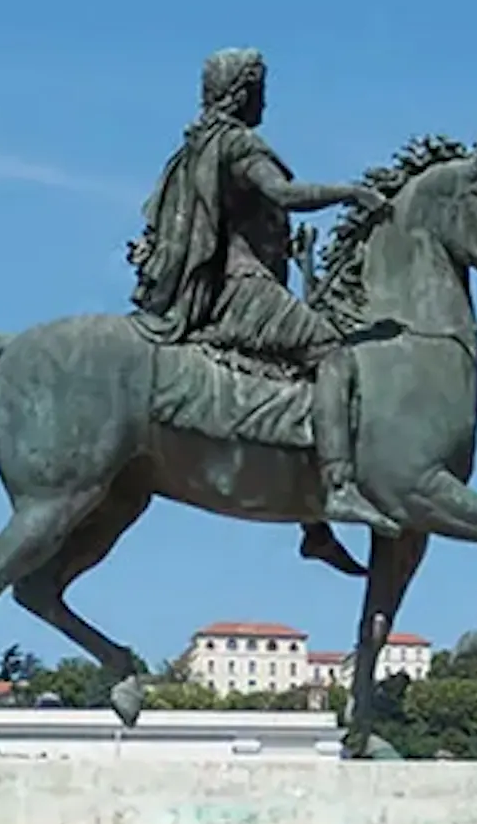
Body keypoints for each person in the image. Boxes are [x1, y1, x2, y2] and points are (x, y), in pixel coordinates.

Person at [127, 47, 400, 539]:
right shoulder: (237, 145)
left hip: (220, 287)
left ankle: (312, 527)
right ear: (242, 92)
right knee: (332, 355)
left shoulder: (195, 146)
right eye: (260, 90)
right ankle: (338, 486)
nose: (264, 101)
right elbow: (285, 195)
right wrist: (351, 193)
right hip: (242, 287)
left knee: (294, 378)